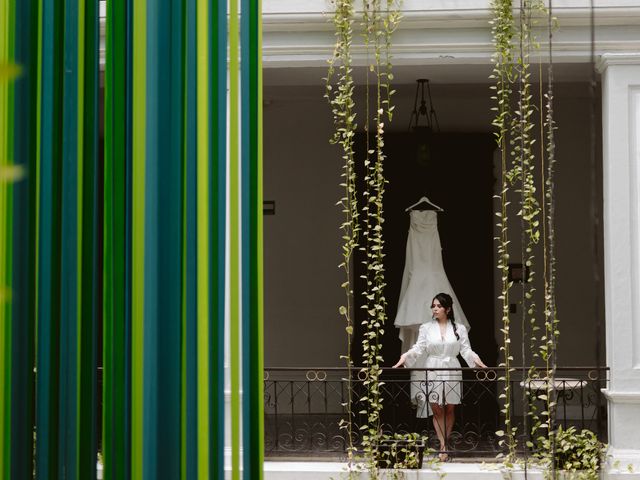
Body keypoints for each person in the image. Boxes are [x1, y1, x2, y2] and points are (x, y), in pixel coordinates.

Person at [393, 292, 487, 462]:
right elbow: (419, 347)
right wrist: (405, 357)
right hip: (433, 367)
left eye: (439, 306)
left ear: (448, 309)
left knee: (450, 407)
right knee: (436, 408)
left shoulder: (459, 328)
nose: (435, 309)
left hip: (452, 368)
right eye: (433, 306)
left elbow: (466, 350)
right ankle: (444, 445)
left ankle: (444, 446)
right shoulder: (426, 328)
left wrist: (477, 361)